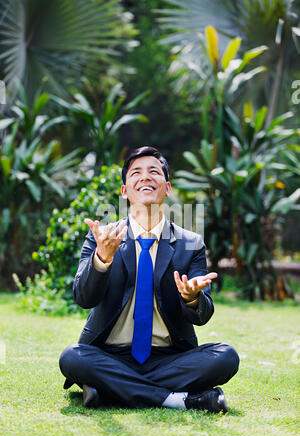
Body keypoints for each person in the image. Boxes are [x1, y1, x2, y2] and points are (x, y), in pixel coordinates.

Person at [59, 146, 239, 412]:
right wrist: (102, 259)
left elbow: (202, 315)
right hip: (109, 355)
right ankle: (180, 400)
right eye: (136, 173)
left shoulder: (191, 244)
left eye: (154, 172)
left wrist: (192, 298)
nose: (145, 177)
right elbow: (84, 298)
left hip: (170, 359)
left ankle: (108, 390)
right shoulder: (104, 237)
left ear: (166, 188)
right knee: (72, 357)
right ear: (124, 191)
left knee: (226, 356)